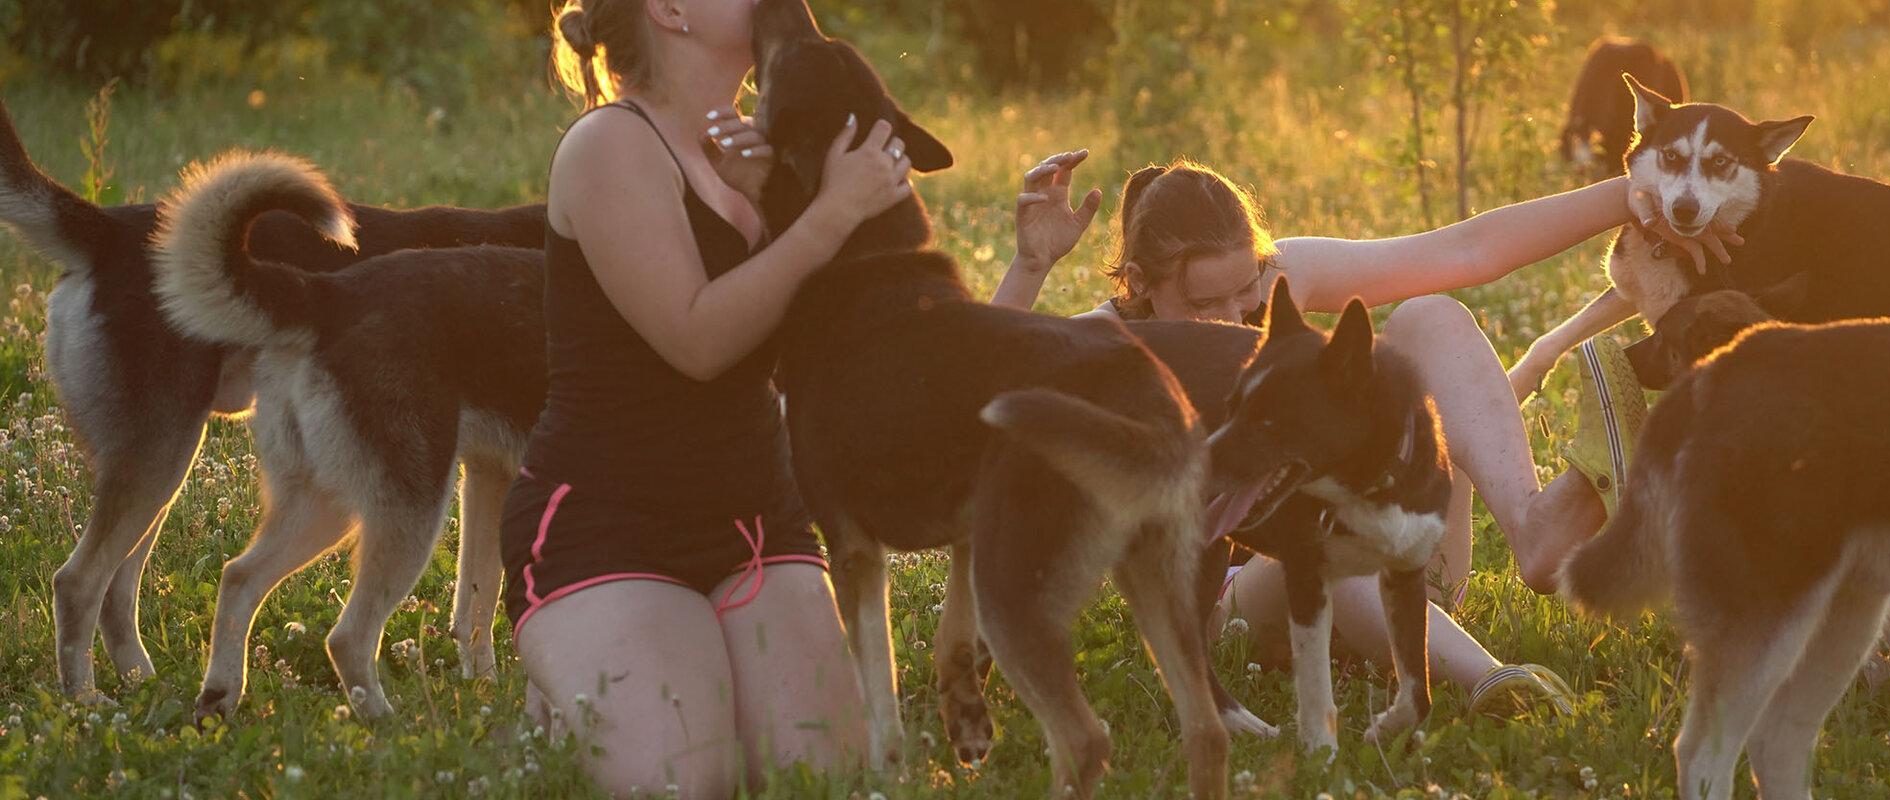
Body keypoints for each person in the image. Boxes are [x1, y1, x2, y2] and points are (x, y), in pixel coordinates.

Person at [993, 151, 1737, 714]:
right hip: (1247, 597)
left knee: (1429, 318)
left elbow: (1467, 252)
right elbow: (987, 399)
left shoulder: (1280, 280)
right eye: (1202, 305)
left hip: (1405, 552)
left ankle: (1536, 528)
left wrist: (1636, 197)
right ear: (1141, 284)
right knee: (1328, 539)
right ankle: (1491, 683)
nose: (1231, 321)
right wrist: (1030, 265)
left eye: (1244, 295)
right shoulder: (1106, 341)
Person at [501, 1, 915, 795]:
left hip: (756, 520)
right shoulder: (610, 144)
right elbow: (696, 341)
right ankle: (567, 681)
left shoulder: (754, 149)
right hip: (607, 528)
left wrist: (1024, 268)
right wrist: (826, 214)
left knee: (820, 782)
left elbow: (833, 349)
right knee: (690, 782)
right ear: (670, 9)